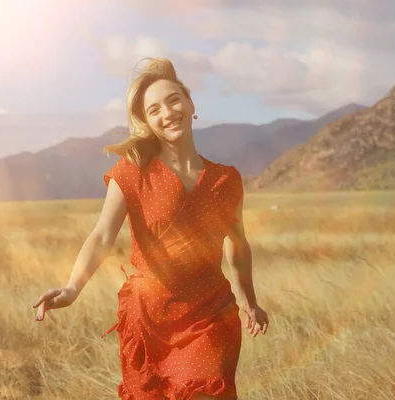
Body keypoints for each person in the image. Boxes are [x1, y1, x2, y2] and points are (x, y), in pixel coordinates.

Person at [32, 57, 269, 400]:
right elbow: (101, 236)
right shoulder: (132, 172)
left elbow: (237, 243)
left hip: (211, 315)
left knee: (205, 388)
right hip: (151, 321)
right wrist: (72, 287)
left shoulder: (226, 179)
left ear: (190, 103)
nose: (168, 112)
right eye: (154, 109)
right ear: (147, 122)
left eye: (174, 100)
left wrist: (248, 300)